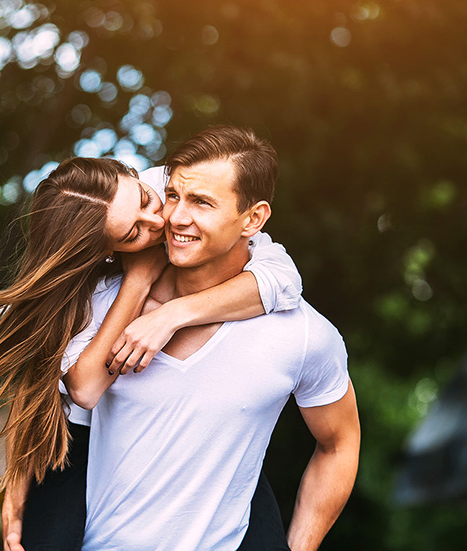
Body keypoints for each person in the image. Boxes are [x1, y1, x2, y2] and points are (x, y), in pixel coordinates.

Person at [0, 155, 301, 548]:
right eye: (132, 233)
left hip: (193, 434)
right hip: (77, 441)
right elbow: (75, 388)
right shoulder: (77, 297)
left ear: (135, 176)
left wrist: (171, 315)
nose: (160, 221)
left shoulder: (171, 190)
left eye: (145, 201)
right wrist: (138, 281)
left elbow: (280, 276)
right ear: (103, 250)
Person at [63, 126, 361, 551]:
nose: (176, 218)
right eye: (173, 196)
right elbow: (54, 399)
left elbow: (339, 444)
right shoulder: (103, 300)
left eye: (202, 203)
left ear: (253, 219)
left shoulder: (304, 334)